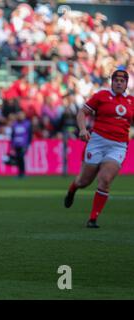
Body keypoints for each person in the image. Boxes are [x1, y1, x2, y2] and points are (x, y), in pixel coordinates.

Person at [64, 69, 133, 228]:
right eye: (116, 80)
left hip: (118, 146)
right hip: (97, 142)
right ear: (112, 82)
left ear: (126, 84)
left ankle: (93, 218)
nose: (119, 83)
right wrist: (82, 129)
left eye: (122, 81)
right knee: (84, 181)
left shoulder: (131, 101)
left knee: (105, 179)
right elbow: (82, 112)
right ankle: (73, 189)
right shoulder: (101, 96)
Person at [4, 111, 33, 178]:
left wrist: (28, 144)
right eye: (19, 115)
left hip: (24, 144)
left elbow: (30, 134)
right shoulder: (15, 124)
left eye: (21, 115)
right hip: (16, 144)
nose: (20, 116)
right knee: (18, 158)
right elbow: (13, 135)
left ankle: (22, 173)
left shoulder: (27, 124)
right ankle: (20, 173)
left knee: (21, 157)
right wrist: (12, 145)